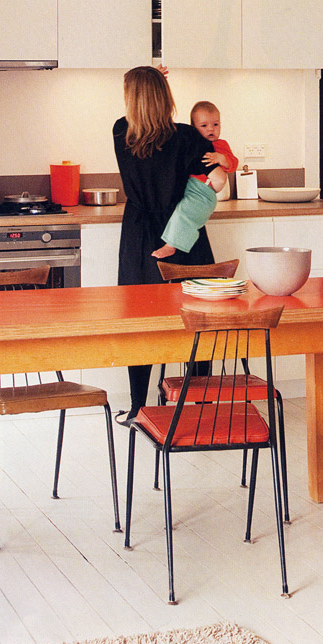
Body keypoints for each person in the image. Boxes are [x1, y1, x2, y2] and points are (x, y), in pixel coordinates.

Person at [113, 66, 219, 420]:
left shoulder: (122, 132)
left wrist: (150, 81)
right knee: (198, 317)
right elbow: (215, 179)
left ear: (132, 99)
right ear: (166, 96)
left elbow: (141, 125)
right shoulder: (189, 136)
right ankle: (200, 406)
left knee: (140, 319)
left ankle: (138, 406)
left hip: (141, 234)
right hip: (184, 234)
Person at [152, 100, 239, 259]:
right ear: (193, 128)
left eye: (215, 124)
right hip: (191, 187)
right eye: (204, 125)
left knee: (185, 213)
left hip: (204, 191)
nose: (211, 129)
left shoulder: (221, 145)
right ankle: (172, 242)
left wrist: (222, 159)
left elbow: (233, 164)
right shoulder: (190, 144)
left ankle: (171, 245)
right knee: (179, 212)